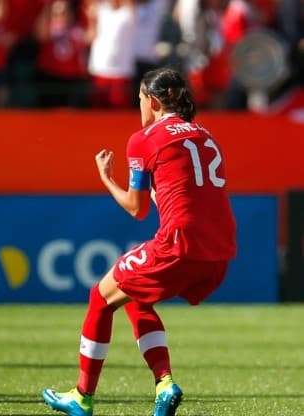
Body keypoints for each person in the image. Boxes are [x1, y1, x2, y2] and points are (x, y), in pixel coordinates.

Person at [41, 67, 237, 416]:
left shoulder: (145, 138)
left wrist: (106, 178)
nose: (140, 107)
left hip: (178, 245)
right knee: (133, 297)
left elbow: (137, 208)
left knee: (99, 297)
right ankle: (164, 384)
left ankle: (82, 397)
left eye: (140, 100)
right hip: (220, 252)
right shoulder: (206, 135)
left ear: (152, 100)